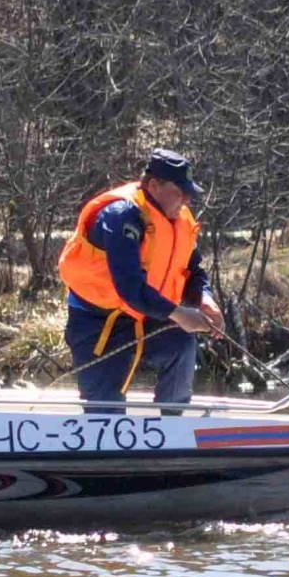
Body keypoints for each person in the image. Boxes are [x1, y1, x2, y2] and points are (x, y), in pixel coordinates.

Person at [57, 149, 225, 407]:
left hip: (146, 315)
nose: (186, 201)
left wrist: (205, 298)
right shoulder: (121, 215)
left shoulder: (178, 219)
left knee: (181, 343)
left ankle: (172, 426)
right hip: (99, 322)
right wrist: (180, 314)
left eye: (188, 194)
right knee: (105, 411)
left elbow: (194, 271)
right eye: (179, 193)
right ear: (154, 186)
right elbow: (130, 288)